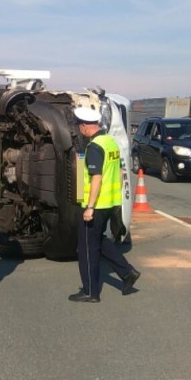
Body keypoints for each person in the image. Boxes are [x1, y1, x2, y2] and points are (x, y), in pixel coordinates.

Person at [69, 107, 141, 303]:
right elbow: (118, 172)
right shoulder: (110, 142)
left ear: (85, 126)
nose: (79, 130)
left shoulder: (94, 147)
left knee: (86, 249)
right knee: (99, 241)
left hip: (97, 205)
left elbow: (97, 178)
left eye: (79, 126)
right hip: (109, 203)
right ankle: (127, 273)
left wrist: (89, 207)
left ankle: (90, 291)